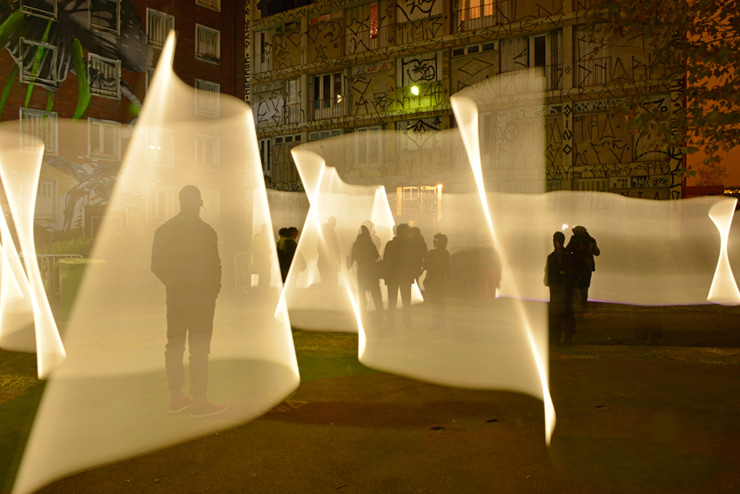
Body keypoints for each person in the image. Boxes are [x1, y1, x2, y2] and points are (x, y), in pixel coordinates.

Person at [151, 185, 225, 418]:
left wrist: (173, 283)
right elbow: (215, 265)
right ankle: (199, 401)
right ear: (200, 203)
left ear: (180, 202)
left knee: (174, 346)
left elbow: (155, 266)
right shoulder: (206, 231)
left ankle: (176, 397)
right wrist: (213, 291)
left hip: (175, 296)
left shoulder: (163, 230)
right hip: (201, 298)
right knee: (199, 349)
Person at [544, 231, 576, 345]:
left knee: (557, 315)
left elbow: (547, 275)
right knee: (565, 314)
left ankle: (557, 337)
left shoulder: (552, 257)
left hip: (558, 289)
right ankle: (565, 337)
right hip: (563, 288)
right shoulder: (567, 257)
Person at [383, 223, 414, 329]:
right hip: (406, 275)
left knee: (392, 301)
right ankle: (408, 323)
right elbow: (412, 261)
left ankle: (390, 323)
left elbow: (386, 260)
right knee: (406, 301)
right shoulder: (410, 245)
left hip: (392, 276)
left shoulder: (390, 244)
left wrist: (386, 275)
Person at [351, 224, 383, 317]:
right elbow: (376, 256)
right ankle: (379, 312)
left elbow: (354, 257)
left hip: (361, 270)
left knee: (362, 293)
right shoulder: (370, 242)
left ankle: (362, 312)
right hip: (371, 270)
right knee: (376, 293)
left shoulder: (357, 243)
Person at [566, 225, 600, 311]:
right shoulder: (589, 240)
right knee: (583, 288)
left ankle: (581, 306)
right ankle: (582, 306)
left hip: (580, 268)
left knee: (581, 288)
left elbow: (567, 250)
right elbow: (597, 252)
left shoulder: (580, 240)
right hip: (582, 268)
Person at [423, 233, 451, 329]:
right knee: (441, 303)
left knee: (434, 303)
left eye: (435, 240)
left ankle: (436, 324)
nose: (433, 241)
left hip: (432, 280)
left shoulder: (431, 253)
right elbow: (447, 267)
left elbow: (425, 265)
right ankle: (440, 324)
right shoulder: (446, 253)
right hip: (442, 280)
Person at [317, 216, 340, 286]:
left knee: (325, 280)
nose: (335, 225)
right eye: (334, 223)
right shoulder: (329, 233)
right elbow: (334, 247)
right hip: (328, 262)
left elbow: (319, 248)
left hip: (325, 261)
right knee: (329, 280)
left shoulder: (325, 233)